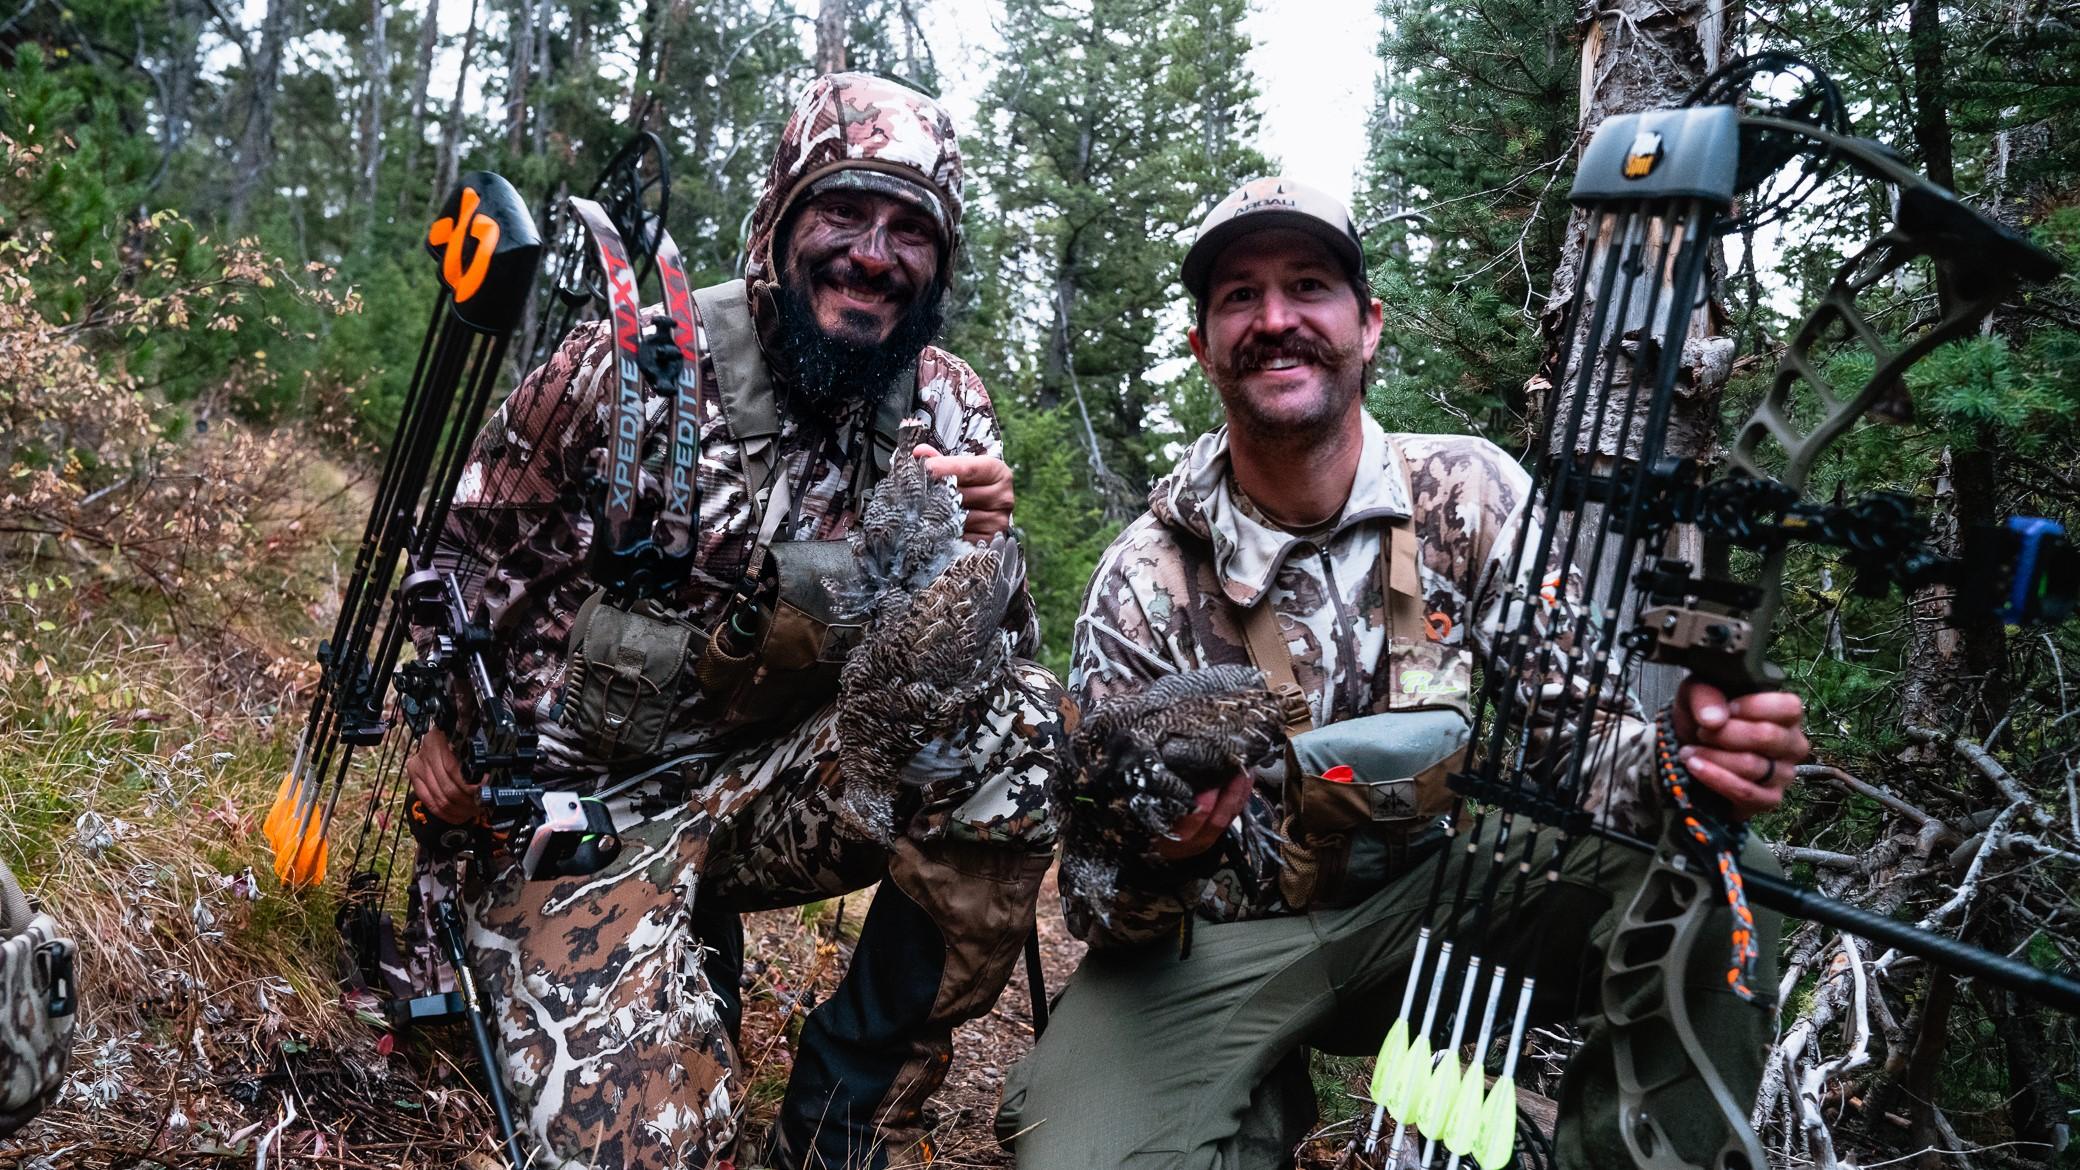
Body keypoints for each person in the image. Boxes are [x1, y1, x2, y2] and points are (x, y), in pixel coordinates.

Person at [996, 176, 1810, 1168]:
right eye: (1238, 297)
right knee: (1080, 1155)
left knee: (1715, 867)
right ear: (1201, 345)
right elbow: (1091, 901)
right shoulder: (1142, 577)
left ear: (1367, 325)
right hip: (1217, 946)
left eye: (1307, 285)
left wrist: (1681, 756)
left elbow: (1585, 750)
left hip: (1449, 908)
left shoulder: (1466, 494)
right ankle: (1246, 1087)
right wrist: (1159, 855)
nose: (1276, 319)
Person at [403, 73, 1067, 1170]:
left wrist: (986, 548)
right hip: (578, 823)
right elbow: (455, 562)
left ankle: (845, 1115)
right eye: (842, 211)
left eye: (910, 230)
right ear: (779, 221)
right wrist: (440, 735)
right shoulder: (633, 364)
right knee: (655, 1146)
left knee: (1021, 729)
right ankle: (641, 956)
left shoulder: (945, 404)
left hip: (772, 795)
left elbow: (996, 671)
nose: (872, 252)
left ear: (939, 266)